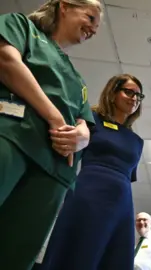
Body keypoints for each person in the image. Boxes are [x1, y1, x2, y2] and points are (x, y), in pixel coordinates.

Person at [0, 0, 102, 269]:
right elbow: (6, 61)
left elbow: (85, 123)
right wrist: (55, 118)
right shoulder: (21, 27)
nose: (94, 29)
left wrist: (81, 137)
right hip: (13, 137)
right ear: (65, 6)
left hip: (54, 171)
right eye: (91, 18)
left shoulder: (77, 80)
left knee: (18, 254)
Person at [38, 74, 145, 270]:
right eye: (128, 92)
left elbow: (128, 177)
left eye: (139, 95)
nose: (134, 98)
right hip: (89, 192)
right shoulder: (90, 120)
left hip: (122, 201)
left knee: (114, 256)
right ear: (113, 93)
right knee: (80, 248)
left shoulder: (137, 141)